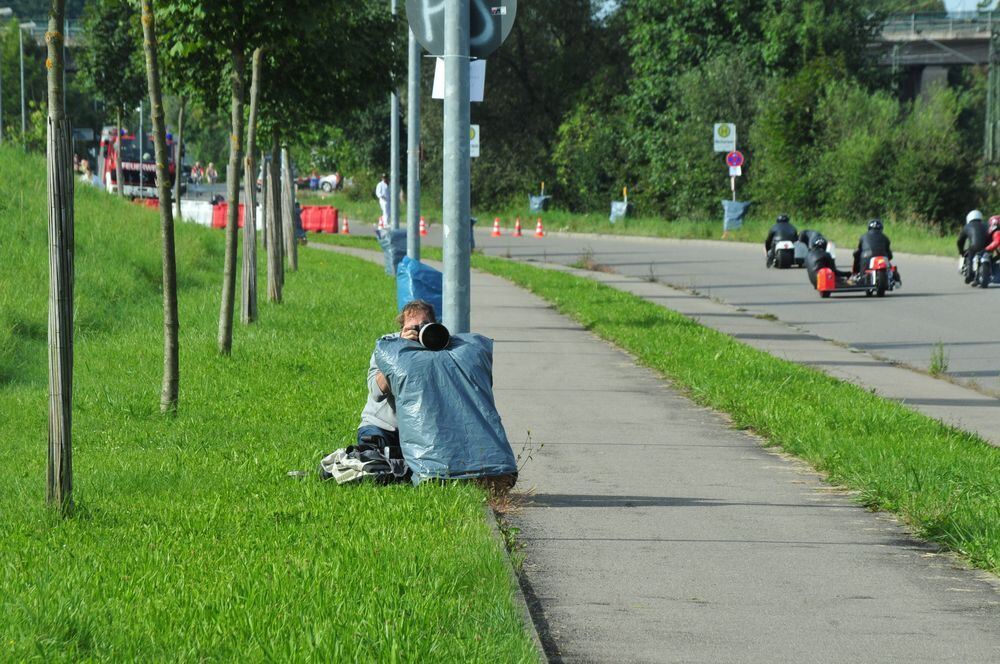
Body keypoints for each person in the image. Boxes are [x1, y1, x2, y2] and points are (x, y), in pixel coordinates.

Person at [357, 300, 437, 449]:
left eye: (425, 325)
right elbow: (376, 392)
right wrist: (399, 352)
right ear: (402, 329)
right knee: (376, 461)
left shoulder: (440, 345)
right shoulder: (387, 346)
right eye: (414, 328)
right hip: (383, 426)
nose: (420, 332)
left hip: (421, 430)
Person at [852, 218, 900, 286]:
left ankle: (856, 274)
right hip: (883, 256)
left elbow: (859, 250)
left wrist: (856, 255)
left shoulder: (863, 236)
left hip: (866, 258)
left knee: (856, 255)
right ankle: (896, 279)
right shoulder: (885, 237)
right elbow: (889, 254)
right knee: (890, 266)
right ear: (881, 228)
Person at [958, 210, 989, 283]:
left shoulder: (966, 227)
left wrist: (961, 251)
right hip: (985, 247)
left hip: (973, 246)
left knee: (970, 256)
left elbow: (960, 241)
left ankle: (969, 273)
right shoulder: (986, 225)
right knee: (988, 256)